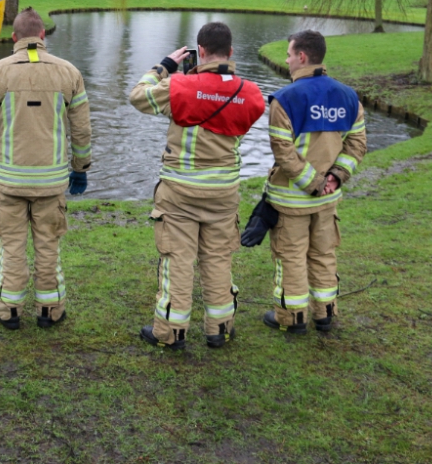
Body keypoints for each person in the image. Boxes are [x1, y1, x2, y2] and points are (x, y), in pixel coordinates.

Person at [130, 22, 264, 349]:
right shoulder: (252, 94)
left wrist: (165, 65)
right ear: (230, 52)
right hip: (223, 193)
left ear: (199, 52)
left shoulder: (180, 85)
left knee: (177, 260)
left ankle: (170, 333)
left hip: (180, 193)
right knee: (218, 259)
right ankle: (220, 328)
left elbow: (138, 97)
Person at [0, 7, 92, 330]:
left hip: (9, 182)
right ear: (42, 36)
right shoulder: (69, 73)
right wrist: (80, 168)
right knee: (48, 245)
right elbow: (81, 131)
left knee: (11, 247)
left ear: (14, 38)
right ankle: (49, 309)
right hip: (52, 183)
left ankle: (9, 309)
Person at [259, 30, 366, 334]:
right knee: (323, 254)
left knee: (291, 257)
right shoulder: (349, 96)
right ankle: (325, 314)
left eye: (289, 54)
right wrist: (334, 178)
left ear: (302, 57)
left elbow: (283, 152)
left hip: (292, 199)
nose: (287, 59)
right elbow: (356, 146)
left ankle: (291, 318)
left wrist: (312, 182)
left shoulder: (285, 98)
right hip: (328, 199)